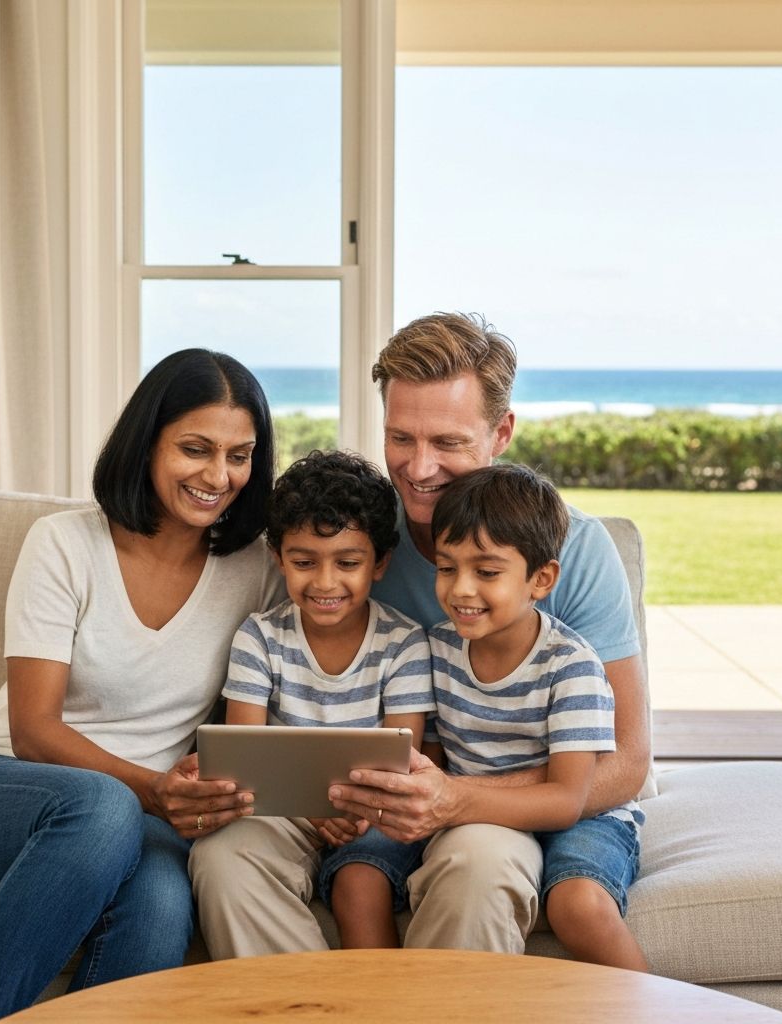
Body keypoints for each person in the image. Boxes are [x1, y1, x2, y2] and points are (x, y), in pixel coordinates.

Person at [191, 311, 650, 959]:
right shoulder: (363, 538)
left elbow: (627, 762)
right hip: (391, 800)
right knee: (232, 857)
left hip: (488, 806)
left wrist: (457, 797)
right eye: (400, 438)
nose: (419, 467)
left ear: (501, 433)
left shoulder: (576, 549)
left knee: (477, 861)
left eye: (448, 442)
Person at [0, 349, 284, 1024]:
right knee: (104, 808)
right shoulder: (63, 544)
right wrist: (154, 792)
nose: (217, 476)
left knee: (164, 904)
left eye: (239, 455)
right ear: (147, 445)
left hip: (142, 820)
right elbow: (34, 729)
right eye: (195, 449)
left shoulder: (256, 569)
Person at [191, 450, 435, 952]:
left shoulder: (405, 644)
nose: (325, 583)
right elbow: (245, 757)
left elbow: (403, 762)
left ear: (380, 563)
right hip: (283, 811)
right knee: (220, 855)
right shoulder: (259, 638)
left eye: (348, 563)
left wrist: (353, 809)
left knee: (361, 880)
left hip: (377, 815)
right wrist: (313, 808)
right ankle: (299, 999)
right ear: (279, 559)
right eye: (304, 562)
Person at [425, 463, 646, 969]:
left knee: (578, 906)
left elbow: (568, 800)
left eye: (486, 572)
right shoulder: (436, 652)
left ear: (541, 579)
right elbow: (433, 761)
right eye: (446, 567)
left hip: (584, 815)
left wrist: (456, 798)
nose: (461, 589)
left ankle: (654, 1011)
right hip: (490, 817)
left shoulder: (571, 665)